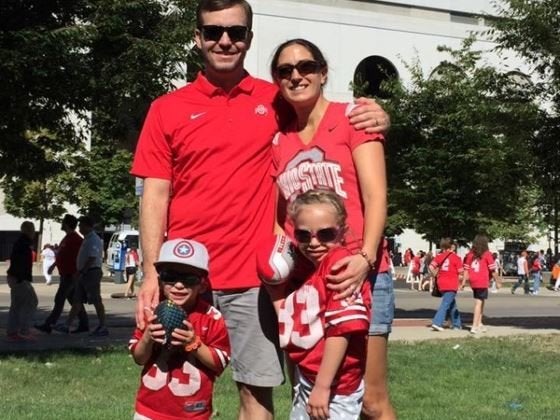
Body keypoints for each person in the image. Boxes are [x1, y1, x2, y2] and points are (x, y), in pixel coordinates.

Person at [131, 1, 390, 418]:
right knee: (175, 398)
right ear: (198, 38)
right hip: (186, 278)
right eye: (214, 32)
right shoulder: (167, 108)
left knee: (256, 396)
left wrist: (376, 115)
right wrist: (149, 273)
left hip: (250, 281)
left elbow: (323, 113)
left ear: (249, 39)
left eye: (235, 32)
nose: (225, 40)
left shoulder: (275, 100)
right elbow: (154, 195)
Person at [269, 38, 394, 420]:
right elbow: (281, 216)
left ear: (323, 73)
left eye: (306, 66)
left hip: (359, 275)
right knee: (307, 395)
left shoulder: (352, 117)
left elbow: (376, 197)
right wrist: (280, 275)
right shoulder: (279, 140)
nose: (297, 75)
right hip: (306, 284)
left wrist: (364, 258)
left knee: (371, 401)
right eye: (285, 70)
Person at [274, 190, 370, 419]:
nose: (314, 242)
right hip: (309, 378)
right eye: (304, 235)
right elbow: (292, 320)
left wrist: (323, 386)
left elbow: (341, 331)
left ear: (343, 232)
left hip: (335, 386)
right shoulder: (311, 271)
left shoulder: (340, 268)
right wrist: (274, 291)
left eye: (325, 234)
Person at [129, 238, 230, 420]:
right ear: (160, 281)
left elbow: (219, 363)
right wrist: (147, 339)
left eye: (189, 279)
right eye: (170, 277)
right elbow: (138, 358)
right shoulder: (150, 312)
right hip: (148, 411)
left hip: (193, 413)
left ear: (203, 285)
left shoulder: (211, 317)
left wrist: (193, 343)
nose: (179, 285)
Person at [35, 214, 89, 334]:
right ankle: (84, 323)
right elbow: (61, 254)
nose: (62, 224)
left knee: (59, 299)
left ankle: (49, 324)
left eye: (63, 222)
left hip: (70, 275)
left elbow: (79, 257)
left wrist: (77, 273)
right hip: (65, 274)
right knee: (74, 300)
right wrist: (54, 266)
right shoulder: (67, 238)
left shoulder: (76, 239)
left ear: (67, 224)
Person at [55, 216, 108, 336]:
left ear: (87, 226)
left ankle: (103, 326)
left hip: (91, 272)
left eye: (81, 225)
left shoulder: (93, 239)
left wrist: (82, 271)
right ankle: (67, 325)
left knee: (95, 300)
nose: (79, 228)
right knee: (77, 300)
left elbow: (92, 257)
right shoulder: (86, 239)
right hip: (83, 273)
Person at [461, 234, 503, 334]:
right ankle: (474, 325)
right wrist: (498, 281)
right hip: (482, 281)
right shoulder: (487, 254)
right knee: (478, 302)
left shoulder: (470, 255)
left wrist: (463, 282)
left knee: (481, 301)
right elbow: (493, 270)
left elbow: (466, 270)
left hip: (473, 280)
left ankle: (479, 323)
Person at [6, 221, 38, 341]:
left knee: (19, 304)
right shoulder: (24, 243)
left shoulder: (23, 242)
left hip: (17, 277)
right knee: (29, 302)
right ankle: (20, 330)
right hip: (19, 278)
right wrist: (20, 278)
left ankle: (16, 331)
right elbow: (20, 262)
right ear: (30, 230)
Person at [430, 237, 464, 331]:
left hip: (441, 283)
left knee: (452, 304)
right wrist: (461, 283)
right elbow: (461, 273)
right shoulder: (456, 258)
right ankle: (437, 322)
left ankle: (457, 324)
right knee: (446, 304)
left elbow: (431, 267)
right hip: (451, 283)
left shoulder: (439, 256)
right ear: (452, 246)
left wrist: (435, 275)